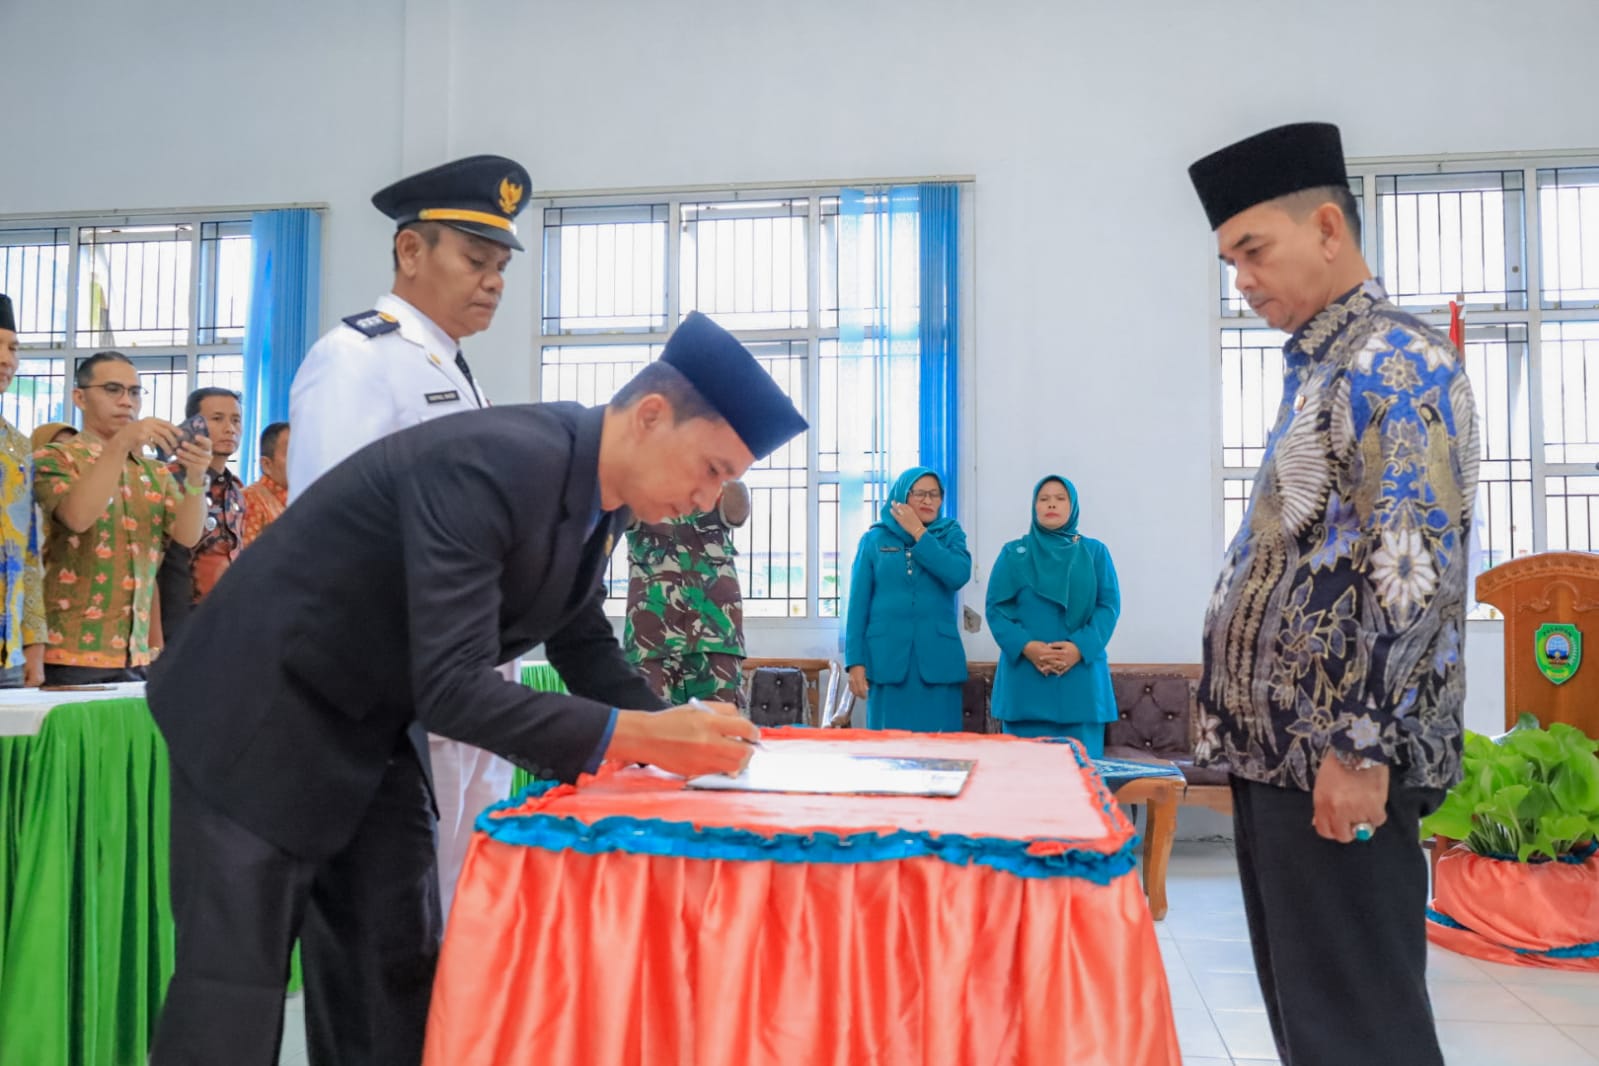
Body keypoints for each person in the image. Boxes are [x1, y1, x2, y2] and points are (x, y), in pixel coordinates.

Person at [146, 310, 807, 1066]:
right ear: (651, 415)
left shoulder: (599, 497)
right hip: (254, 708)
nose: (707, 498)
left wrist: (678, 735)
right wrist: (641, 737)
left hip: (367, 722)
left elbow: (582, 639)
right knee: (235, 986)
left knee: (391, 971)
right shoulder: (498, 462)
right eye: (713, 469)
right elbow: (453, 688)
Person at [1188, 122, 1479, 1066]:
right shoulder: (1324, 363)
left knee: (1361, 1032)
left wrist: (1360, 746)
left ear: (1325, 227)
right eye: (1229, 262)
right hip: (1287, 758)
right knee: (1317, 1029)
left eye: (1252, 251)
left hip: (1340, 757)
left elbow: (1409, 565)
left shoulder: (1393, 361)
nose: (1241, 279)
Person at [285, 153, 533, 921]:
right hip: (401, 684)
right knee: (396, 913)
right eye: (475, 260)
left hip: (468, 676)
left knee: (457, 903)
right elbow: (328, 534)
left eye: (500, 267)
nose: (492, 281)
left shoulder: (454, 371)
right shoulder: (356, 359)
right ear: (410, 251)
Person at [33, 352, 210, 684]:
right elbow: (77, 517)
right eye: (112, 389)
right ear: (79, 397)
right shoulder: (55, 458)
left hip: (136, 651)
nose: (126, 401)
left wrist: (197, 477)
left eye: (134, 392)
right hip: (68, 650)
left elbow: (188, 536)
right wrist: (121, 443)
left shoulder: (154, 472)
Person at [984, 476, 1120, 757]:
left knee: (1081, 776)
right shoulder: (1013, 554)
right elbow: (996, 609)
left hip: (1081, 681)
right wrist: (1028, 647)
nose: (1051, 505)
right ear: (1034, 506)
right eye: (1044, 499)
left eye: (1060, 498)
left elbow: (1108, 607)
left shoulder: (1094, 552)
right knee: (1023, 775)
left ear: (1073, 506)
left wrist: (1078, 648)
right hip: (1025, 681)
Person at [843, 467, 970, 731]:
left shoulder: (950, 534)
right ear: (901, 497)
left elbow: (957, 575)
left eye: (935, 494)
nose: (928, 500)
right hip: (886, 661)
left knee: (941, 749)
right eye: (920, 493)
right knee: (889, 749)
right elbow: (857, 606)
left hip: (938, 661)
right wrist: (855, 662)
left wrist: (919, 533)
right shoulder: (874, 539)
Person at [623, 479, 751, 709]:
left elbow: (738, 513)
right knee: (651, 721)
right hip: (652, 639)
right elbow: (622, 514)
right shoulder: (641, 488)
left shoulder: (714, 487)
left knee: (718, 724)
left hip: (715, 636)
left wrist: (725, 473)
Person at [155, 388, 246, 647]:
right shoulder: (166, 480)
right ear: (193, 425)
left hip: (226, 620)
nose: (230, 428)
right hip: (177, 624)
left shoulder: (235, 490)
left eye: (236, 420)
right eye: (217, 419)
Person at [0, 294, 44, 688]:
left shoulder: (17, 445)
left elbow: (29, 553)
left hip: (8, 651)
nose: (6, 360)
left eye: (12, 348)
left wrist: (34, 641)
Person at [240, 421, 289, 547]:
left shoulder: (303, 499)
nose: (299, 458)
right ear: (267, 464)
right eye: (291, 452)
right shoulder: (249, 500)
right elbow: (245, 556)